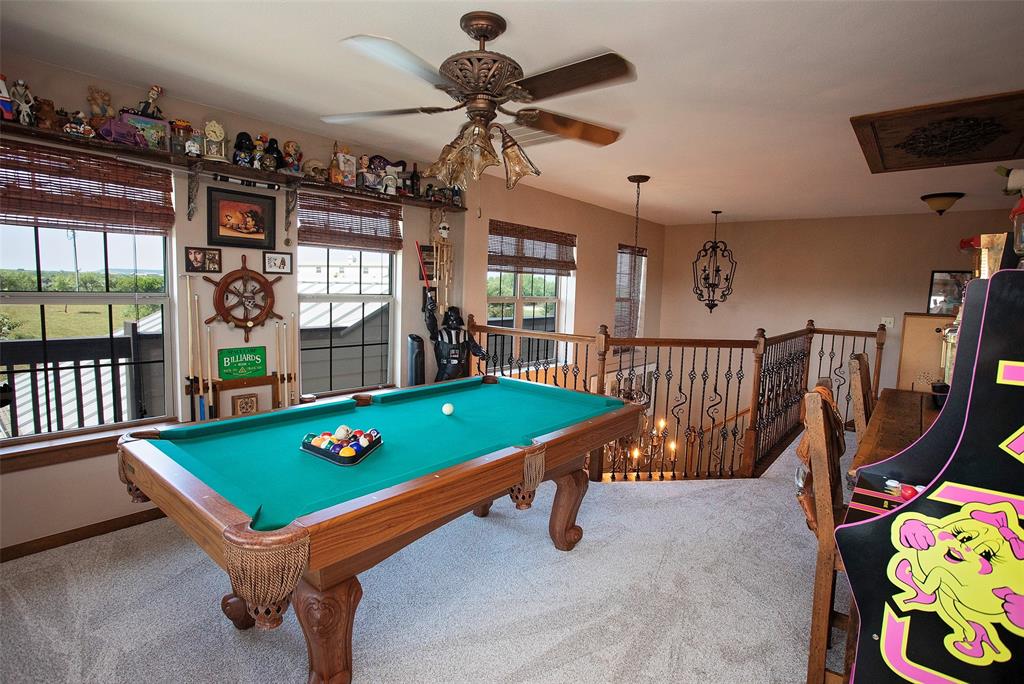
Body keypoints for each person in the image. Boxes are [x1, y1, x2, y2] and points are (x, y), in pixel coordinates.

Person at [424, 291, 486, 382]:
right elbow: (431, 325)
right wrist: (429, 311)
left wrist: (481, 352)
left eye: (456, 319)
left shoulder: (465, 334)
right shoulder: (440, 334)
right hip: (444, 371)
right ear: (447, 319)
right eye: (451, 319)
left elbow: (474, 346)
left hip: (462, 372)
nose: (454, 322)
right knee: (440, 392)